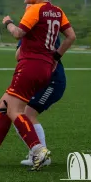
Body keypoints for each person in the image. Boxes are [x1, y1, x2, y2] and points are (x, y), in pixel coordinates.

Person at [0, 0, 76, 171]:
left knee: (14, 110)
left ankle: (38, 150)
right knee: (4, 103)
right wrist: (55, 57)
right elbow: (71, 36)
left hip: (30, 65)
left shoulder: (35, 9)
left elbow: (18, 33)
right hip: (44, 66)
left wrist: (8, 22)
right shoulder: (57, 11)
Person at [15, 33, 67, 167]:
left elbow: (18, 56)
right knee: (20, 116)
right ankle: (37, 152)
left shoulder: (40, 30)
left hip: (51, 82)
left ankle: (41, 155)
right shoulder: (48, 28)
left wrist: (16, 30)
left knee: (27, 115)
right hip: (39, 81)